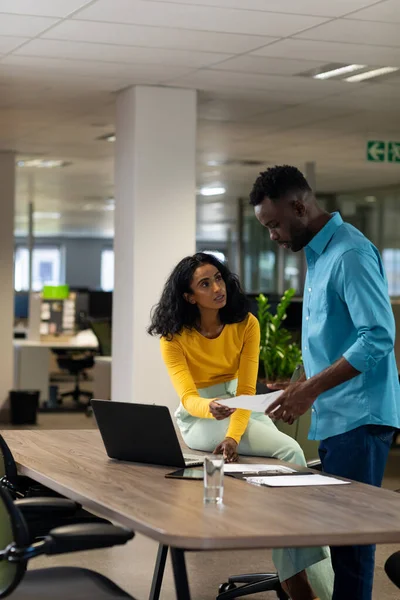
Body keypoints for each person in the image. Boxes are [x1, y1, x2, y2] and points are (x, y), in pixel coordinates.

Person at [249, 165, 400, 600]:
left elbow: (379, 336)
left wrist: (310, 390)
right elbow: (332, 340)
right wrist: (293, 387)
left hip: (361, 416)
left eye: (275, 224)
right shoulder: (318, 255)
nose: (273, 235)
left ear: (300, 206)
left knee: (352, 544)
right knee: (340, 539)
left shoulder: (349, 253)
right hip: (336, 415)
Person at [148, 252, 333, 600]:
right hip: (201, 415)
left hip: (241, 406)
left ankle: (300, 574)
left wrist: (233, 436)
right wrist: (212, 407)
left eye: (218, 278)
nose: (217, 288)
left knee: (289, 455)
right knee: (289, 451)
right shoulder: (173, 337)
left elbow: (248, 391)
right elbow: (188, 398)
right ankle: (298, 582)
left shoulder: (246, 323)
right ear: (189, 296)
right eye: (205, 284)